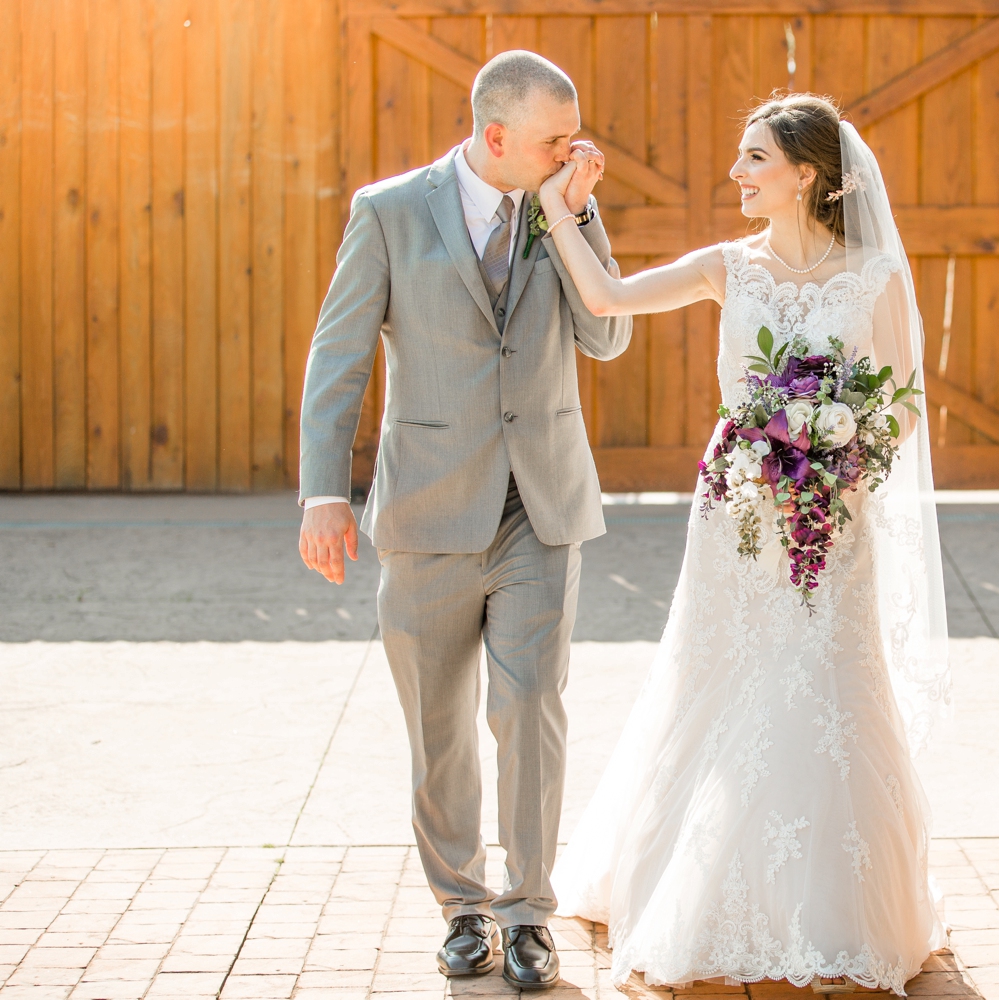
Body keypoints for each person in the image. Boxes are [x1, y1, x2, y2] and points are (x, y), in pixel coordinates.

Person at [541, 94, 951, 996]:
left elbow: (909, 404)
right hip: (737, 512)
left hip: (832, 522)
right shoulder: (728, 268)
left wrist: (845, 453)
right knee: (720, 675)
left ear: (807, 174)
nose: (737, 173)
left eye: (754, 158)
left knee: (832, 682)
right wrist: (559, 213)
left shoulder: (874, 277)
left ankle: (842, 904)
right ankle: (703, 887)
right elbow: (607, 296)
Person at [295, 51, 631, 986]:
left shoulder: (562, 205)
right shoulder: (389, 212)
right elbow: (340, 356)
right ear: (496, 137)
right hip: (429, 509)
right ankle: (463, 908)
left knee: (530, 706)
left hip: (541, 503)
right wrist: (326, 491)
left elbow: (607, 334)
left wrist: (578, 210)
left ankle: (528, 911)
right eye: (555, 139)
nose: (577, 150)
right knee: (437, 725)